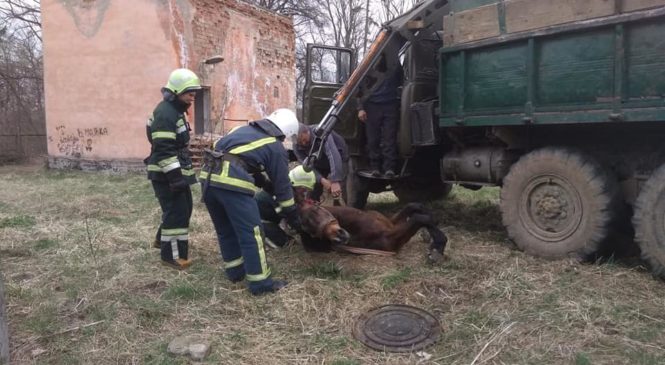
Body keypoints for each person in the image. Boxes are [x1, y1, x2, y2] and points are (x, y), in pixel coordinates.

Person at [199, 108, 302, 295]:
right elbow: (283, 186)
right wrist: (292, 214)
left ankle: (235, 272)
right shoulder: (275, 146)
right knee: (253, 233)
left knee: (225, 229)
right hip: (231, 182)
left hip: (207, 177)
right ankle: (260, 284)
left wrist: (265, 184)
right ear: (285, 132)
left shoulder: (242, 131)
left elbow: (241, 159)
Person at [146, 68, 201, 270]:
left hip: (176, 173)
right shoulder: (165, 113)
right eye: (190, 92)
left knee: (182, 209)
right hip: (166, 175)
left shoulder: (175, 111)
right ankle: (172, 256)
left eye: (194, 93)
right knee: (176, 212)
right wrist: (175, 178)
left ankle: (162, 240)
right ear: (177, 90)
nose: (193, 96)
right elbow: (163, 148)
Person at [357, 58, 404, 179]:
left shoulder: (395, 64)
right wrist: (360, 108)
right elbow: (359, 89)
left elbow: (402, 81)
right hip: (372, 106)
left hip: (391, 104)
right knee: (373, 139)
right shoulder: (367, 65)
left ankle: (389, 168)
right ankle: (375, 168)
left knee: (390, 138)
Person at [293, 123, 349, 202]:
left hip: (339, 157)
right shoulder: (296, 145)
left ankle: (347, 207)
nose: (303, 144)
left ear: (307, 132)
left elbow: (332, 154)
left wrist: (335, 180)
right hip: (319, 162)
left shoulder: (321, 132)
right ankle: (313, 210)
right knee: (313, 192)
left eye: (304, 140)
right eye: (300, 142)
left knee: (342, 189)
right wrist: (322, 180)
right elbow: (307, 166)